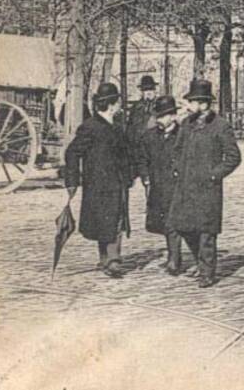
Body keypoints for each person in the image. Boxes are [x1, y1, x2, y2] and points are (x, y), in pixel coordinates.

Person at [167, 79, 241, 288]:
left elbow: (234, 157)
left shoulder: (220, 126)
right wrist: (177, 168)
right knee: (184, 227)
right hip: (185, 187)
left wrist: (214, 175)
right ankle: (201, 263)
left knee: (206, 232)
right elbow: (177, 149)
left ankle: (207, 272)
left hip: (208, 189)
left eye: (192, 101)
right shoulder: (186, 124)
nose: (188, 105)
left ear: (204, 103)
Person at [62, 83, 133, 279]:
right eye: (117, 101)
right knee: (106, 221)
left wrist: (129, 176)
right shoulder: (90, 127)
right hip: (97, 184)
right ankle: (110, 259)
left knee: (115, 219)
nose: (120, 104)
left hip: (117, 184)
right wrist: (72, 180)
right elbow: (72, 153)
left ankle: (110, 259)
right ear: (111, 104)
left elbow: (126, 155)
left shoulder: (118, 128)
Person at [135, 94, 183, 275]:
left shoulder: (183, 135)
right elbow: (142, 159)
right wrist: (145, 177)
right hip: (156, 185)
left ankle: (174, 259)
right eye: (158, 116)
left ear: (172, 116)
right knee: (162, 223)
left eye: (163, 116)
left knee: (173, 223)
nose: (159, 120)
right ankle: (175, 254)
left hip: (177, 185)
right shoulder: (149, 137)